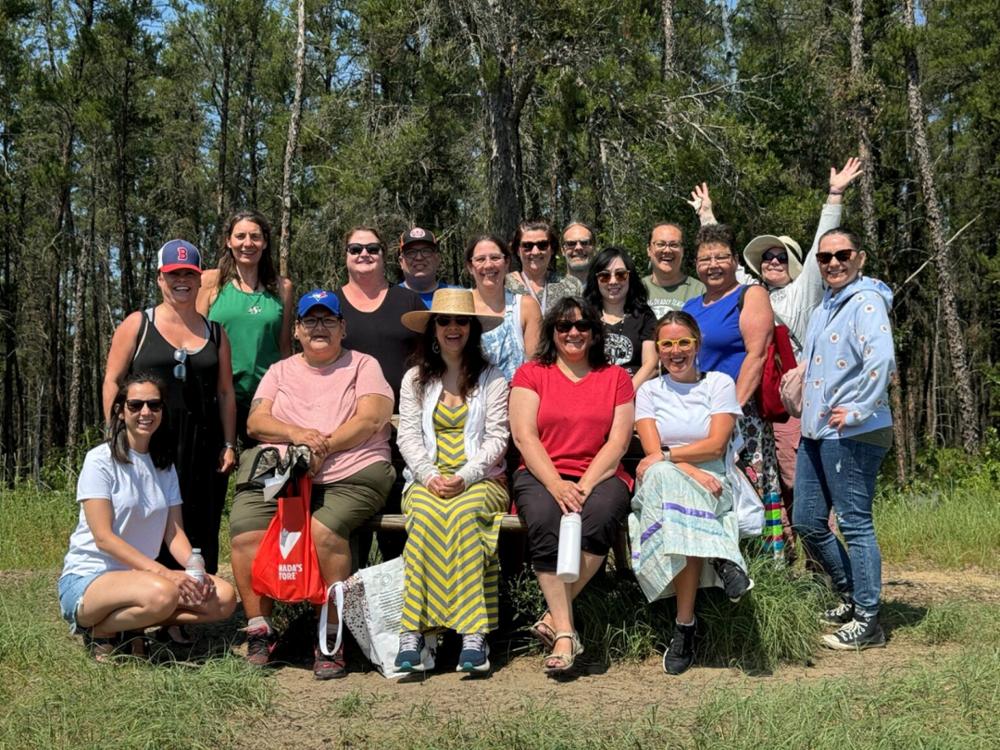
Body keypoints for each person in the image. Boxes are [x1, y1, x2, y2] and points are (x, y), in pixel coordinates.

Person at [230, 289, 395, 678]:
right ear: (298, 331)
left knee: (323, 531)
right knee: (244, 531)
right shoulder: (280, 370)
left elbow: (372, 418)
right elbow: (256, 422)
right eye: (310, 321)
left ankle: (330, 634)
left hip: (353, 469)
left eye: (328, 320)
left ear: (343, 328)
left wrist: (324, 446)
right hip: (284, 467)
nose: (319, 328)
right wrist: (297, 435)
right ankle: (259, 629)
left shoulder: (363, 365)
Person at [59, 374, 237, 661]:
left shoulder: (164, 466)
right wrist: (163, 573)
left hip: (144, 580)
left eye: (154, 405)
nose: (146, 412)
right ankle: (99, 630)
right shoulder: (100, 460)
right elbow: (104, 539)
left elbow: (174, 534)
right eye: (135, 405)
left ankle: (129, 626)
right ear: (120, 410)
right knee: (163, 593)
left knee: (224, 598)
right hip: (90, 579)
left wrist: (194, 567)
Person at [740, 159, 864, 550]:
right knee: (770, 480)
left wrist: (835, 195)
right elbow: (719, 265)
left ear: (795, 264)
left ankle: (818, 558)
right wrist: (707, 215)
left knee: (798, 477)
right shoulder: (752, 297)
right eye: (766, 257)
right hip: (761, 406)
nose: (772, 261)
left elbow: (821, 244)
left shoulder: (803, 293)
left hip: (795, 402)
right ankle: (789, 553)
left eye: (780, 256)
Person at [509, 297, 635, 675]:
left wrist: (582, 484)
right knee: (545, 519)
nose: (574, 332)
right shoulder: (532, 373)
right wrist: (556, 484)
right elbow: (524, 436)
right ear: (552, 332)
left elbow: (618, 443)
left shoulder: (615, 377)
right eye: (564, 326)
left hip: (600, 474)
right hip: (541, 472)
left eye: (582, 325)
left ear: (596, 332)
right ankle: (566, 631)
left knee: (599, 516)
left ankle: (552, 617)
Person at [103, 240, 237, 578]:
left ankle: (188, 608)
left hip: (203, 446)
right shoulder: (137, 324)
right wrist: (116, 433)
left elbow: (225, 391)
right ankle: (143, 601)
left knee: (199, 523)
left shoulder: (216, 333)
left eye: (189, 274)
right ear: (160, 279)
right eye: (173, 274)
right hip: (150, 441)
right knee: (148, 518)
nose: (182, 281)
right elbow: (112, 380)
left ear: (199, 279)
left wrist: (229, 443)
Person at [629, 312, 751, 675]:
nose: (675, 351)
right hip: (666, 481)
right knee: (669, 484)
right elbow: (653, 456)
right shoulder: (649, 391)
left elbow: (716, 445)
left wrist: (674, 460)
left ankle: (685, 626)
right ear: (658, 349)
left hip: (712, 479)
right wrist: (687, 468)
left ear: (698, 344)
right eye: (666, 344)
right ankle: (723, 556)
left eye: (683, 342)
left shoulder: (719, 383)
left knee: (681, 512)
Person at [393, 289, 509, 674]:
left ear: (473, 328)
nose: (453, 328)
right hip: (426, 480)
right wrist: (428, 476)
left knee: (464, 517)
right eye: (444, 321)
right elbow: (407, 436)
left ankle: (473, 634)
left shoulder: (492, 378)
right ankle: (415, 631)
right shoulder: (414, 380)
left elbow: (497, 439)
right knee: (424, 519)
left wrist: (463, 476)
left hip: (481, 480)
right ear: (433, 329)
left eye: (461, 321)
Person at [792, 228, 895, 651]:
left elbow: (882, 358)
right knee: (807, 520)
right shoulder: (824, 307)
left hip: (854, 430)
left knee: (854, 523)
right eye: (825, 257)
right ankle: (853, 594)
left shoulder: (867, 301)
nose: (834, 262)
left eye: (842, 254)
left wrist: (857, 410)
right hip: (817, 429)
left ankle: (869, 620)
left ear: (860, 257)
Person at [682, 224, 783, 557]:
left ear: (735, 260)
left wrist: (732, 411)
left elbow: (756, 355)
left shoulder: (749, 295)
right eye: (705, 258)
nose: (713, 264)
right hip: (701, 412)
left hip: (742, 413)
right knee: (711, 489)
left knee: (750, 486)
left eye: (721, 257)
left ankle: (764, 567)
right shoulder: (693, 306)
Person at [198, 210, 295, 446]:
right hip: (219, 396)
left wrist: (291, 394)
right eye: (240, 236)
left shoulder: (283, 288)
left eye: (255, 236)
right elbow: (196, 340)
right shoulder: (211, 282)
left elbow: (284, 347)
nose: (247, 244)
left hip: (266, 400)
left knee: (265, 475)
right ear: (228, 241)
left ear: (265, 242)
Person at [334, 226, 425, 409]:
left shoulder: (408, 301)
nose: (364, 253)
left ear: (383, 256)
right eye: (355, 249)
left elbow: (432, 354)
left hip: (406, 416)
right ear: (346, 256)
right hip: (345, 417)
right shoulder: (331, 305)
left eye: (373, 249)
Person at [467, 234, 542, 381]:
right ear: (470, 267)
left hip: (518, 397)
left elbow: (535, 366)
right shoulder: (459, 306)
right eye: (480, 259)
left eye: (495, 258)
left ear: (507, 262)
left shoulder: (526, 307)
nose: (488, 265)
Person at [583, 247, 658, 390]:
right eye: (604, 276)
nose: (613, 281)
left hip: (633, 396)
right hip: (593, 393)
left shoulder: (645, 315)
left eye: (620, 275)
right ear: (596, 280)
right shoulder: (585, 315)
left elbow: (651, 365)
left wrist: (624, 394)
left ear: (630, 277)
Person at [505, 219, 583, 315]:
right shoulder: (504, 285)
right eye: (527, 246)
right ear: (517, 250)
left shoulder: (572, 286)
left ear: (552, 249)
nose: (535, 252)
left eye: (542, 245)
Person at [642, 222, 706, 319]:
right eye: (660, 244)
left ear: (682, 251)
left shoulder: (700, 291)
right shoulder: (636, 289)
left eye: (674, 245)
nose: (667, 250)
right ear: (649, 250)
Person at [397, 226, 454, 307]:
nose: (419, 257)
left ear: (437, 259)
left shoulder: (457, 296)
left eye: (426, 251)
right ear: (401, 262)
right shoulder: (388, 299)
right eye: (411, 252)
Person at [561, 221, 597, 286]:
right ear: (563, 250)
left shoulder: (608, 290)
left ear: (594, 249)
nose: (578, 248)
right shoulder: (548, 292)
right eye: (571, 243)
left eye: (585, 243)